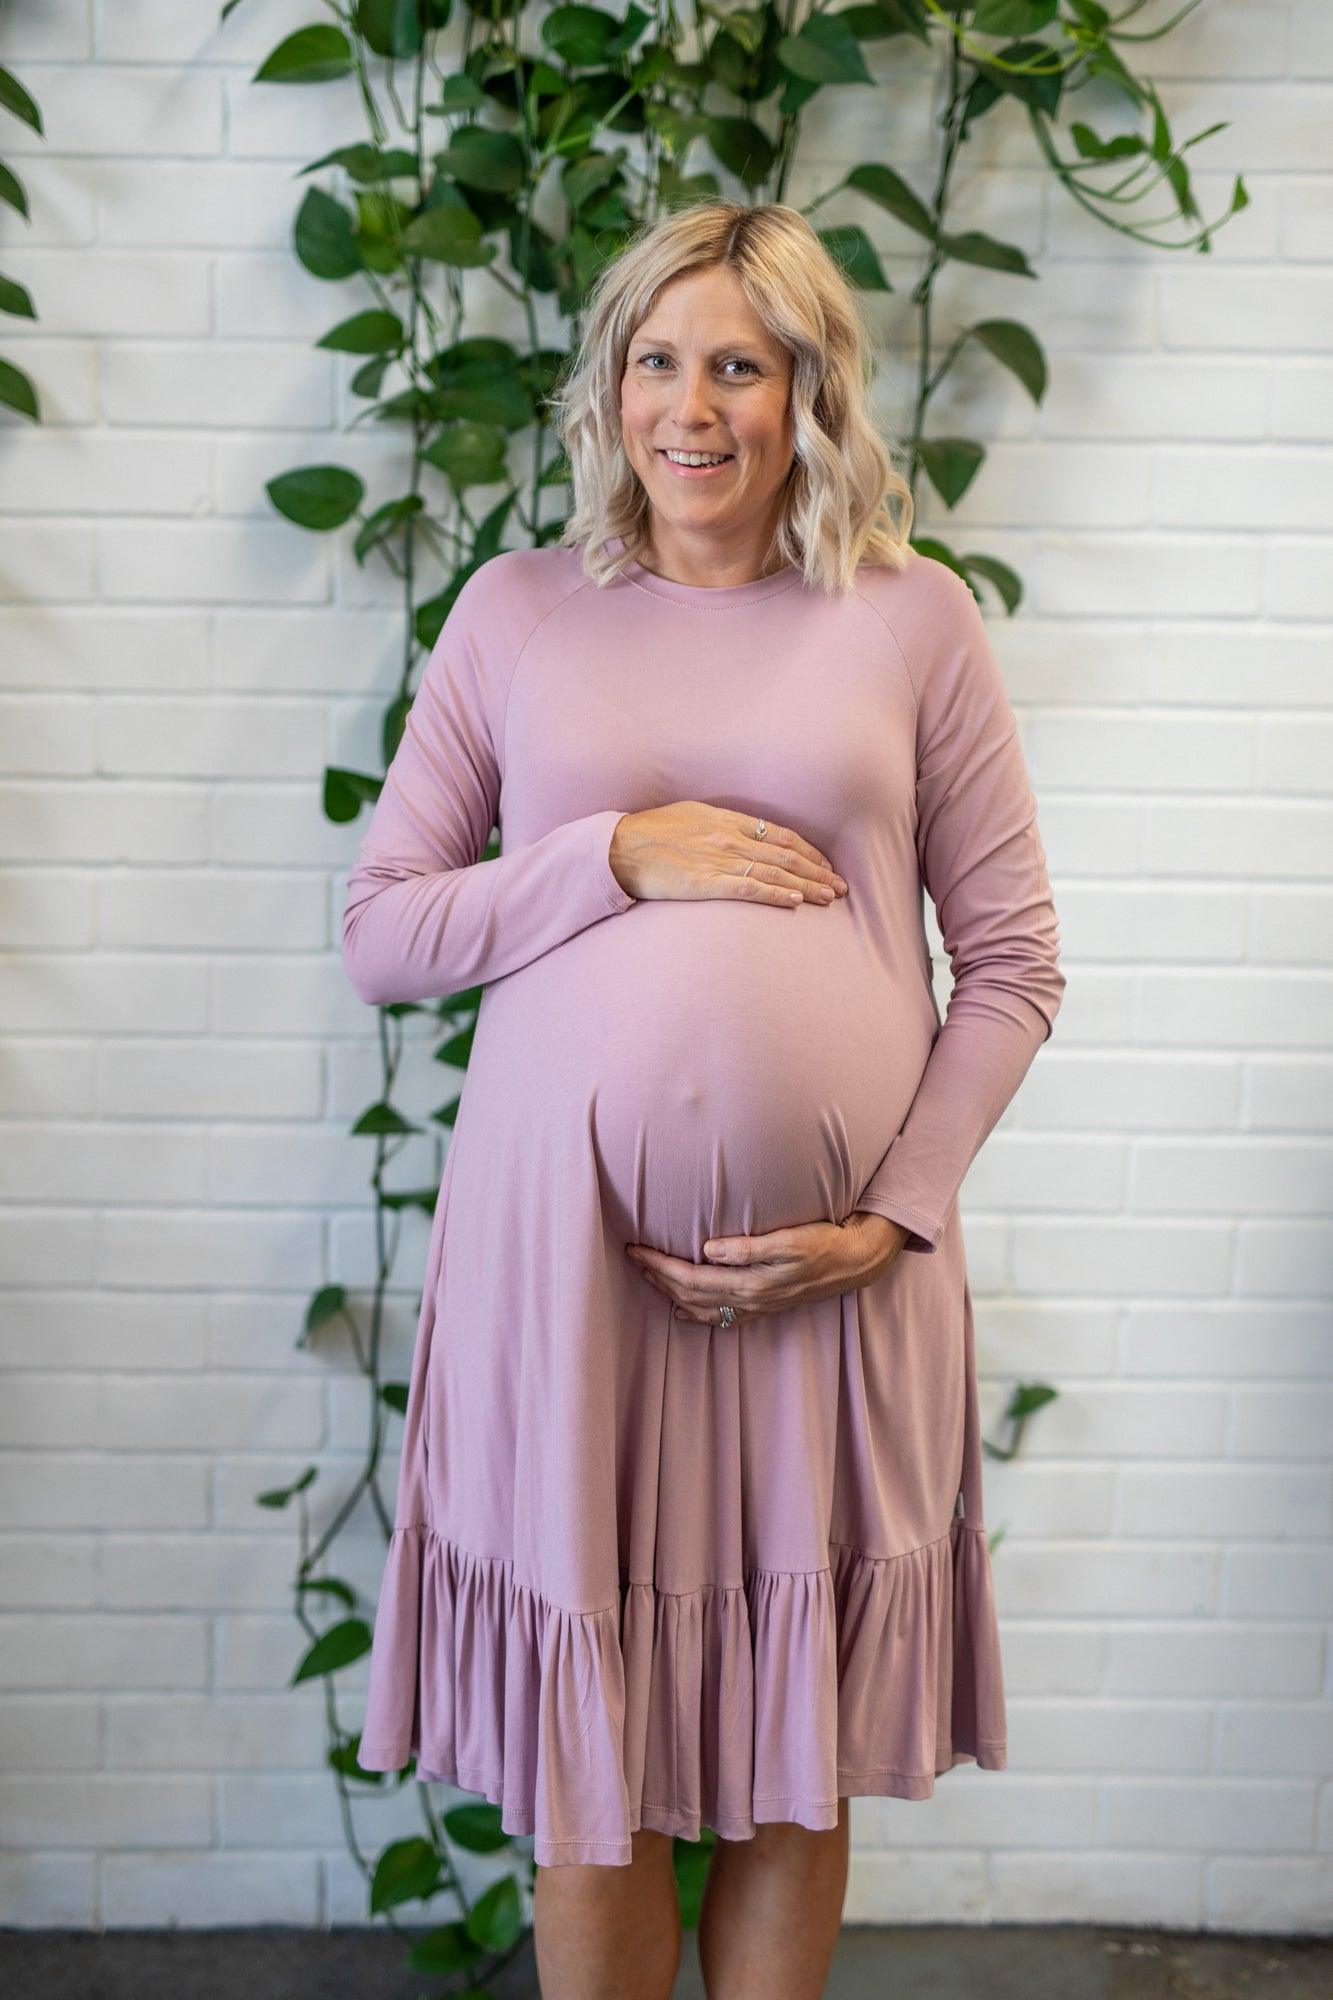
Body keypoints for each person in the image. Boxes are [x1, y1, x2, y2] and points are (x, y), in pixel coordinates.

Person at [341, 200, 1066, 2000]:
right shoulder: (516, 613)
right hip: (568, 1288)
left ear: (804, 389)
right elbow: (386, 930)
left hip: (834, 1291)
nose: (691, 405)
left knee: (788, 1751)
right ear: (607, 392)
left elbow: (1014, 960)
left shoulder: (910, 619)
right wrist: (614, 855)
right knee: (594, 1778)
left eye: (736, 364)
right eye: (655, 361)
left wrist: (884, 1219)